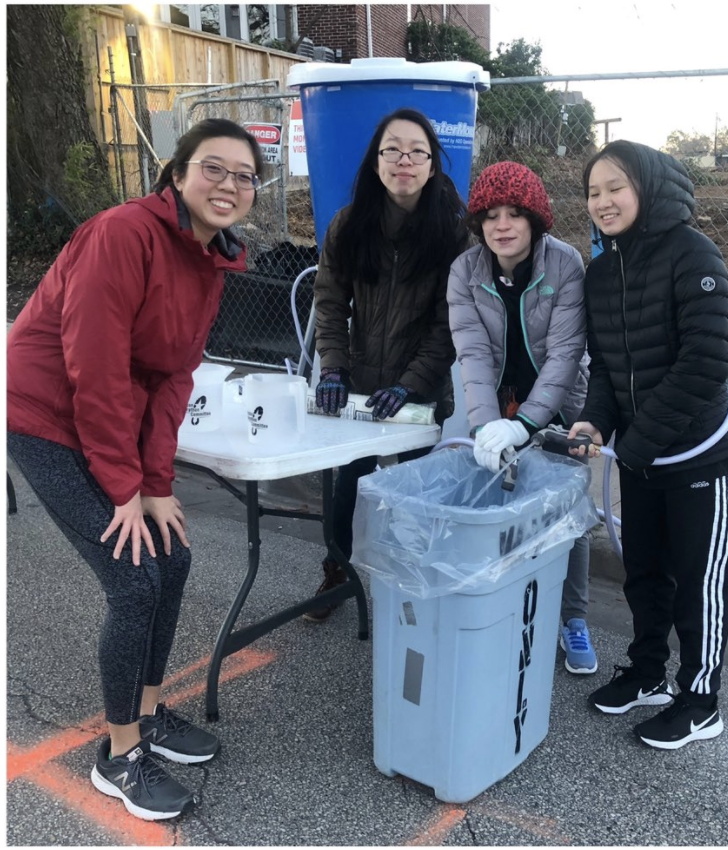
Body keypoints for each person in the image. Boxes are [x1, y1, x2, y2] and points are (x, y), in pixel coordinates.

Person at [7, 119, 264, 818]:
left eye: (245, 176)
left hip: (106, 417)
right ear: (177, 175)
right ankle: (119, 756)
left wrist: (155, 485)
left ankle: (148, 714)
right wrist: (124, 488)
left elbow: (173, 379)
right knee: (133, 580)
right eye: (214, 168)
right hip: (43, 414)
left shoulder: (211, 259)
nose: (230, 185)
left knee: (172, 558)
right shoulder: (123, 234)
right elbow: (94, 368)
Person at [570, 140, 728, 749]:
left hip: (698, 454)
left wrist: (637, 441)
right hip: (641, 456)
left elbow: (706, 363)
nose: (603, 201)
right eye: (593, 192)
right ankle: (648, 674)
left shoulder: (693, 253)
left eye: (615, 187)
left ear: (646, 187)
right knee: (644, 574)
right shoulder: (600, 272)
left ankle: (700, 702)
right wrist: (594, 424)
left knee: (699, 582)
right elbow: (607, 370)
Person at [308, 107, 468, 621]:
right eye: (392, 150)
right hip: (358, 385)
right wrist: (333, 367)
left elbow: (450, 324)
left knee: (416, 493)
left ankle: (412, 591)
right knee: (349, 484)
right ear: (376, 162)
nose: (404, 160)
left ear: (432, 165)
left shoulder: (453, 233)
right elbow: (330, 302)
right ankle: (336, 572)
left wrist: (411, 384)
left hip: (419, 392)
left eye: (417, 152)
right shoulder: (349, 225)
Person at [446, 161, 597, 675]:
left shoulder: (564, 263)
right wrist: (486, 425)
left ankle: (572, 617)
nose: (502, 225)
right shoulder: (465, 271)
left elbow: (565, 354)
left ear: (535, 219)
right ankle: (509, 601)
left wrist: (527, 424)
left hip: (561, 406)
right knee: (500, 499)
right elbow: (472, 354)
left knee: (568, 510)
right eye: (490, 215)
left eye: (514, 213)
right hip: (498, 403)